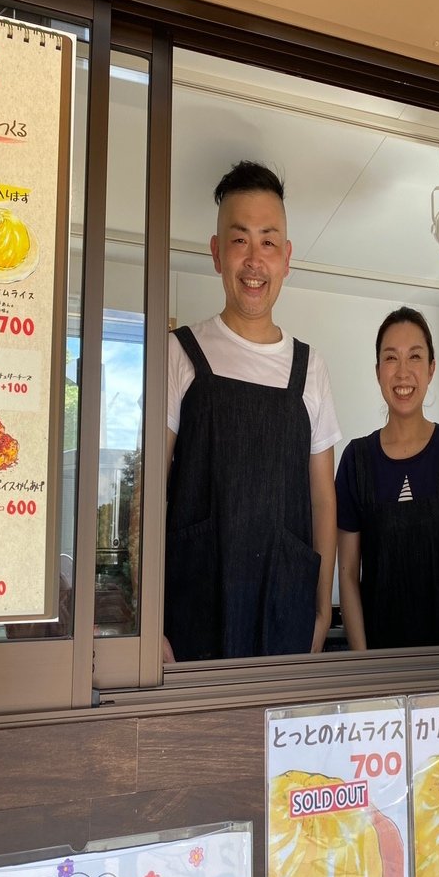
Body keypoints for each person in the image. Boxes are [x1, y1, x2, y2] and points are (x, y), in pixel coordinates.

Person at [164, 161, 341, 661]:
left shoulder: (311, 367)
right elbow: (148, 489)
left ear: (286, 257)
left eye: (268, 242)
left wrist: (321, 610)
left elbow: (323, 500)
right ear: (216, 253)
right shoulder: (179, 352)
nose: (254, 259)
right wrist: (146, 612)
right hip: (193, 606)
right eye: (239, 240)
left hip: (286, 608)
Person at [335, 307, 439, 650]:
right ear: (378, 371)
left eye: (415, 357)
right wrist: (365, 663)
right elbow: (347, 573)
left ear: (431, 368)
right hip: (379, 664)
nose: (403, 372)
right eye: (391, 358)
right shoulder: (355, 460)